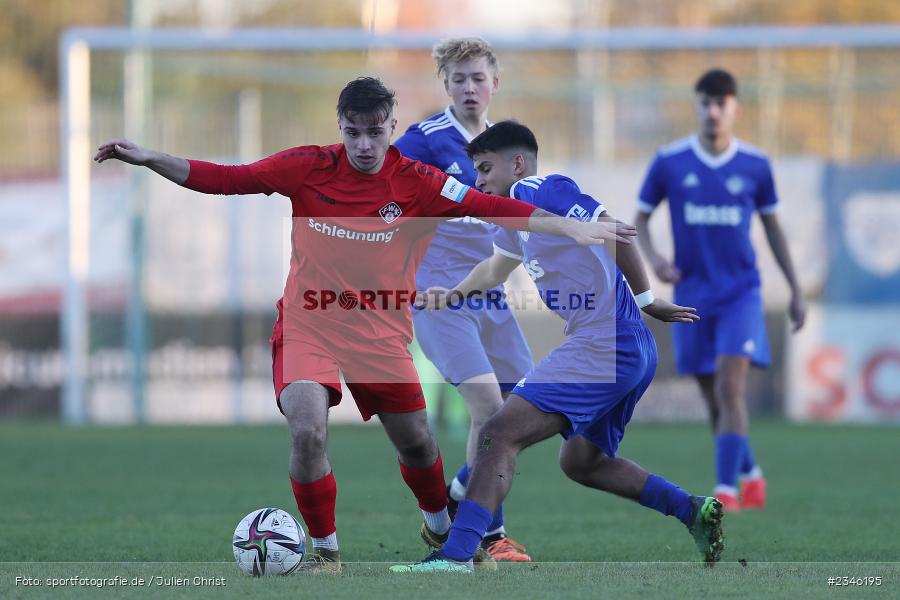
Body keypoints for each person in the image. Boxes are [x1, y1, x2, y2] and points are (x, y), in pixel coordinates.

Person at [94, 78, 636, 575]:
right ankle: (326, 551)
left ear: (391, 128)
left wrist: (568, 224)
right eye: (353, 133)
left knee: (419, 445)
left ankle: (441, 529)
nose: (364, 146)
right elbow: (227, 179)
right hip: (310, 324)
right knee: (307, 429)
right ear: (341, 129)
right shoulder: (308, 166)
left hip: (379, 333)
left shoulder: (418, 182)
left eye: (375, 133)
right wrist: (148, 158)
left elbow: (491, 206)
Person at [391, 121, 724, 573]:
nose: (480, 180)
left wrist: (648, 299)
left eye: (486, 168)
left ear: (518, 163)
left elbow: (615, 229)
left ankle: (456, 553)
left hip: (604, 343)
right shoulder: (514, 220)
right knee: (582, 462)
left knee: (496, 432)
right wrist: (448, 296)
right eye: (475, 171)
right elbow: (493, 270)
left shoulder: (542, 187)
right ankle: (691, 510)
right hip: (627, 351)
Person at [633, 68, 806, 512]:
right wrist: (654, 260)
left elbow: (773, 229)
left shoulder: (755, 164)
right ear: (697, 107)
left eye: (721, 103)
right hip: (692, 295)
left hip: (740, 294)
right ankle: (751, 475)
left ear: (735, 108)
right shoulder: (670, 161)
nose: (713, 111)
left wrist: (796, 289)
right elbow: (640, 221)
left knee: (731, 389)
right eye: (706, 102)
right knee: (713, 397)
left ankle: (726, 492)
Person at [394, 37, 533, 562]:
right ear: (445, 85)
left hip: (491, 299)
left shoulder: (510, 146)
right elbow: (380, 185)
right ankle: (488, 537)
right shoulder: (424, 141)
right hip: (438, 299)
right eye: (458, 79)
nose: (469, 88)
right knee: (490, 411)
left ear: (495, 82)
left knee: (524, 414)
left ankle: (458, 498)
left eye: (478, 78)